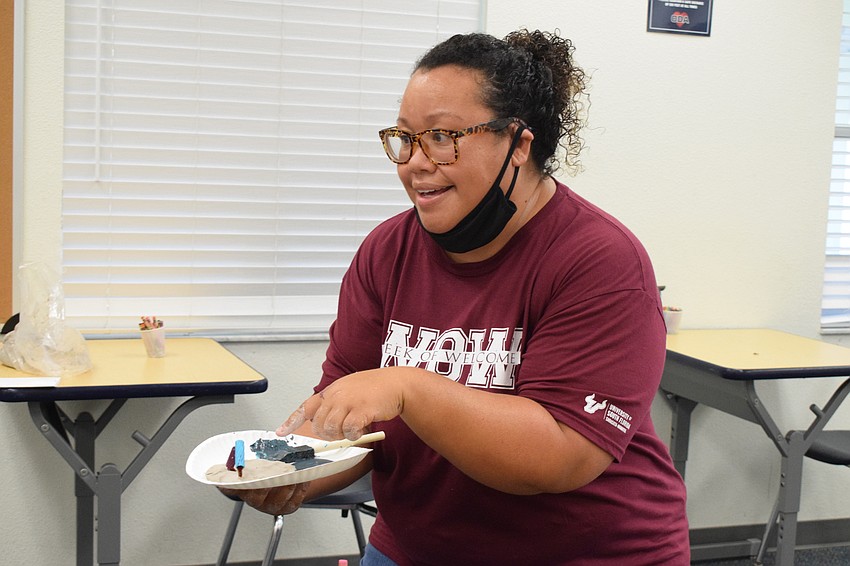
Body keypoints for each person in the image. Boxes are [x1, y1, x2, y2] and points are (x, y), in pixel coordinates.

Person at [221, 29, 689, 565]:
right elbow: (349, 421)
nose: (414, 162)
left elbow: (560, 455)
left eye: (441, 136)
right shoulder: (386, 252)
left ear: (518, 145)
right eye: (404, 138)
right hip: (415, 549)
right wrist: (295, 469)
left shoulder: (598, 261)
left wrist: (407, 388)